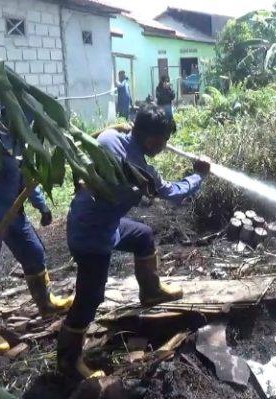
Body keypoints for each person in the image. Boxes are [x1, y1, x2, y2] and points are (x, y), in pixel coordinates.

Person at [57, 105, 211, 380]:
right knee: (89, 299)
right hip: (92, 238)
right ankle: (69, 362)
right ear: (151, 140)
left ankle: (150, 291)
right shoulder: (140, 170)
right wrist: (199, 175)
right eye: (163, 142)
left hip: (90, 221)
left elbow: (109, 134)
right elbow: (173, 193)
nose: (164, 147)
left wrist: (123, 128)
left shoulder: (107, 139)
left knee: (142, 236)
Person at [0, 110, 74, 354]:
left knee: (34, 252)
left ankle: (45, 301)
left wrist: (41, 205)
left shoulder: (18, 142)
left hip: (13, 213)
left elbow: (26, 177)